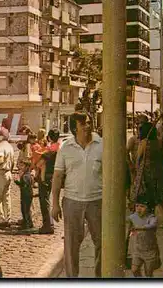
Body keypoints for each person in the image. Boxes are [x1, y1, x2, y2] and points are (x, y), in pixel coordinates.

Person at [51, 112, 103, 278]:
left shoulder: (101, 144)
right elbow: (58, 176)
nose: (88, 126)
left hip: (97, 201)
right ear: (75, 128)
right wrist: (55, 204)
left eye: (89, 122)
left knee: (103, 243)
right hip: (72, 201)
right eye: (83, 124)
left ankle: (100, 277)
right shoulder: (65, 148)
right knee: (71, 245)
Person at [131, 122, 163, 228]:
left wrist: (137, 170)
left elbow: (138, 158)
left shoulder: (143, 143)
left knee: (146, 196)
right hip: (158, 172)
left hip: (146, 173)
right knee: (159, 197)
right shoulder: (157, 142)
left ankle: (146, 218)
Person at [127, 196, 161, 277]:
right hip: (138, 249)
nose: (138, 209)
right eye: (137, 206)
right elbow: (126, 221)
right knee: (134, 270)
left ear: (149, 208)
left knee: (148, 272)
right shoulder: (133, 217)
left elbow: (151, 225)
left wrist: (139, 228)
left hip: (150, 250)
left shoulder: (152, 218)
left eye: (142, 206)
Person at [35, 128, 60, 234]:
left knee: (44, 202)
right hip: (54, 176)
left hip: (46, 177)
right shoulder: (60, 148)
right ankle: (50, 223)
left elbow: (40, 163)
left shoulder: (50, 151)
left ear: (49, 137)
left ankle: (48, 225)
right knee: (48, 200)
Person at [14, 160, 33, 230]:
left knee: (26, 210)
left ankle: (27, 224)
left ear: (27, 167)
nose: (21, 167)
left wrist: (17, 182)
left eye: (23, 166)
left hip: (26, 195)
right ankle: (28, 223)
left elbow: (24, 185)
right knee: (25, 209)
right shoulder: (26, 175)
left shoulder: (26, 176)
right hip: (26, 194)